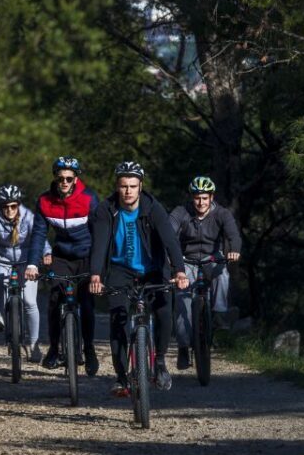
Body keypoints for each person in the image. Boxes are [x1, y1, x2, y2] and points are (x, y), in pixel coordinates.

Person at [89, 161, 189, 395]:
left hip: (153, 269)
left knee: (164, 310)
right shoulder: (106, 209)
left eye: (133, 186)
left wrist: (179, 271)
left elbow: (170, 241)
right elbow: (100, 244)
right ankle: (122, 377)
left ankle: (161, 362)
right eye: (123, 186)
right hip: (119, 269)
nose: (128, 191)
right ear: (117, 186)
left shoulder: (153, 208)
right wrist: (96, 275)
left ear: (140, 186)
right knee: (119, 319)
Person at [25, 156, 100, 375]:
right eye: (61, 179)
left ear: (76, 179)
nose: (64, 182)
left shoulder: (89, 199)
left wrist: (99, 266)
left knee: (86, 303)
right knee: (55, 299)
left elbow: (100, 234)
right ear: (55, 179)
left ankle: (90, 349)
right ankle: (54, 349)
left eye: (69, 178)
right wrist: (32, 264)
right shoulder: (44, 201)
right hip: (62, 257)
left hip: (86, 256)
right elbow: (39, 234)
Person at [169, 176, 242, 369]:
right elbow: (169, 233)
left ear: (211, 197)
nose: (201, 202)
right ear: (191, 197)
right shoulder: (181, 212)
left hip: (212, 258)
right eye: (197, 198)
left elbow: (233, 234)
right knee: (182, 300)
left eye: (204, 198)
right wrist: (173, 261)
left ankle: (218, 314)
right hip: (186, 261)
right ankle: (184, 348)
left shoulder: (222, 214)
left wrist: (234, 249)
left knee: (222, 274)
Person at [0, 184, 51, 362]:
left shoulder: (29, 217)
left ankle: (34, 345)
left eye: (13, 206)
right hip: (2, 259)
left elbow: (39, 236)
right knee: (2, 282)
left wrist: (47, 253)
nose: (9, 210)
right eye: (5, 206)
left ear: (18, 204)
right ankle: (1, 313)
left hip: (26, 261)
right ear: (0, 206)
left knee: (29, 301)